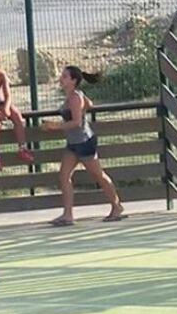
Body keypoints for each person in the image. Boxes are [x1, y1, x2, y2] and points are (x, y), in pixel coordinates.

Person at [48, 66, 125, 227]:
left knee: (98, 175)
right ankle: (68, 215)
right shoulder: (73, 96)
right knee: (64, 176)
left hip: (84, 142)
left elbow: (76, 122)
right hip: (73, 144)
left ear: (73, 81)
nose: (61, 79)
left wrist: (55, 126)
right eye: (62, 76)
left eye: (65, 77)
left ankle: (117, 207)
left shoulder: (75, 97)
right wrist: (83, 107)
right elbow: (90, 104)